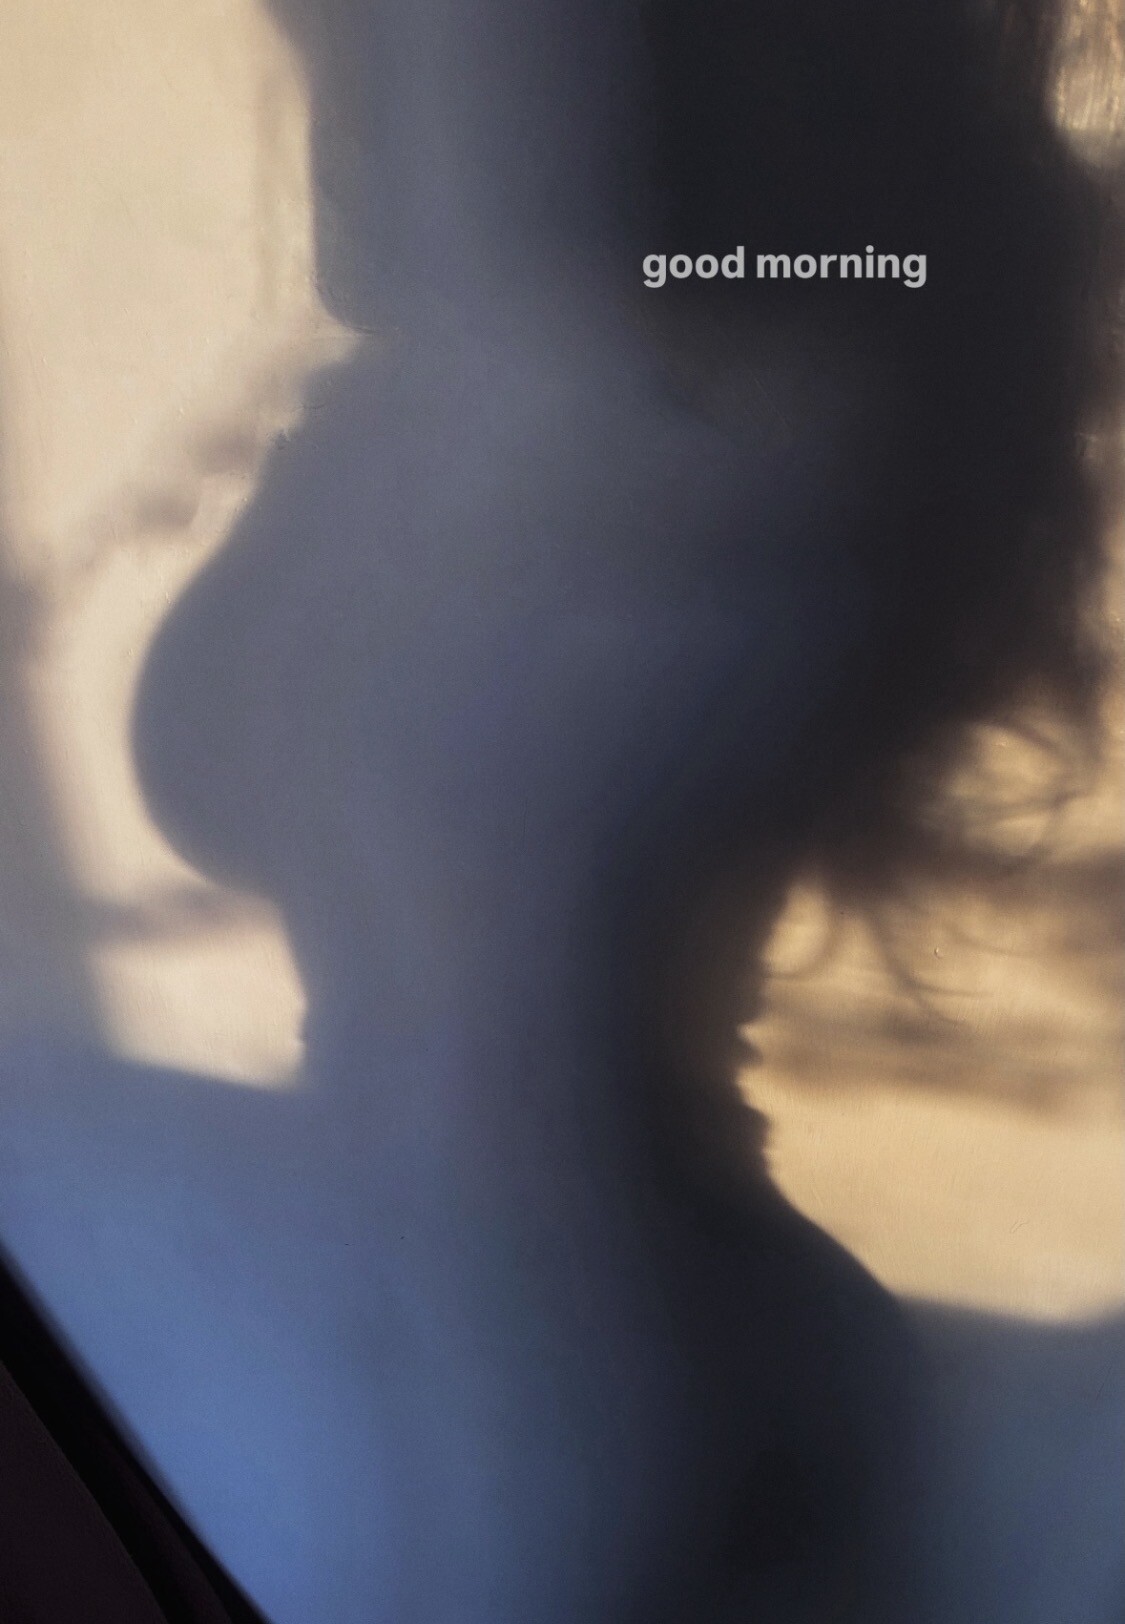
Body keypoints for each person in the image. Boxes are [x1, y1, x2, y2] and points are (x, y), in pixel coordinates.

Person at [3, 1, 1120, 1619]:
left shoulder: (708, 447)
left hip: (614, 1358)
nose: (338, 153)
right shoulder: (454, 416)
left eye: (388, 80)